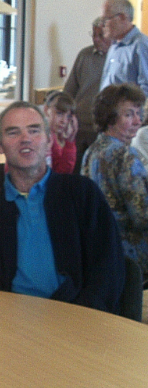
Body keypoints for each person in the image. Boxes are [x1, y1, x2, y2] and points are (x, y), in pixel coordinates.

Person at [0, 101, 124, 313]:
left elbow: (108, 268)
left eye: (34, 130)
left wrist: (81, 318)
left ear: (49, 141)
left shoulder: (82, 194)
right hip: (9, 323)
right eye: (13, 132)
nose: (25, 139)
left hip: (79, 319)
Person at [82, 83, 148, 280]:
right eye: (129, 115)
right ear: (110, 118)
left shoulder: (92, 151)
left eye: (139, 113)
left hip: (99, 249)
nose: (138, 120)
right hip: (131, 254)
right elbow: (142, 216)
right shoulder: (125, 155)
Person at [64, 17, 111, 172]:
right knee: (75, 169)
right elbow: (70, 90)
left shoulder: (118, 58)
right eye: (94, 35)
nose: (96, 39)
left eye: (101, 35)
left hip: (104, 127)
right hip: (80, 125)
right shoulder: (85, 55)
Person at [99, 0, 148, 97]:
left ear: (122, 17)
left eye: (106, 20)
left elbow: (146, 88)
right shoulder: (114, 46)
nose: (102, 25)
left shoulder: (140, 45)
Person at [43, 90, 78, 173]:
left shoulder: (57, 137)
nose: (64, 121)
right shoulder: (44, 137)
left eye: (68, 116)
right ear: (46, 110)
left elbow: (64, 172)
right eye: (59, 113)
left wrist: (70, 141)